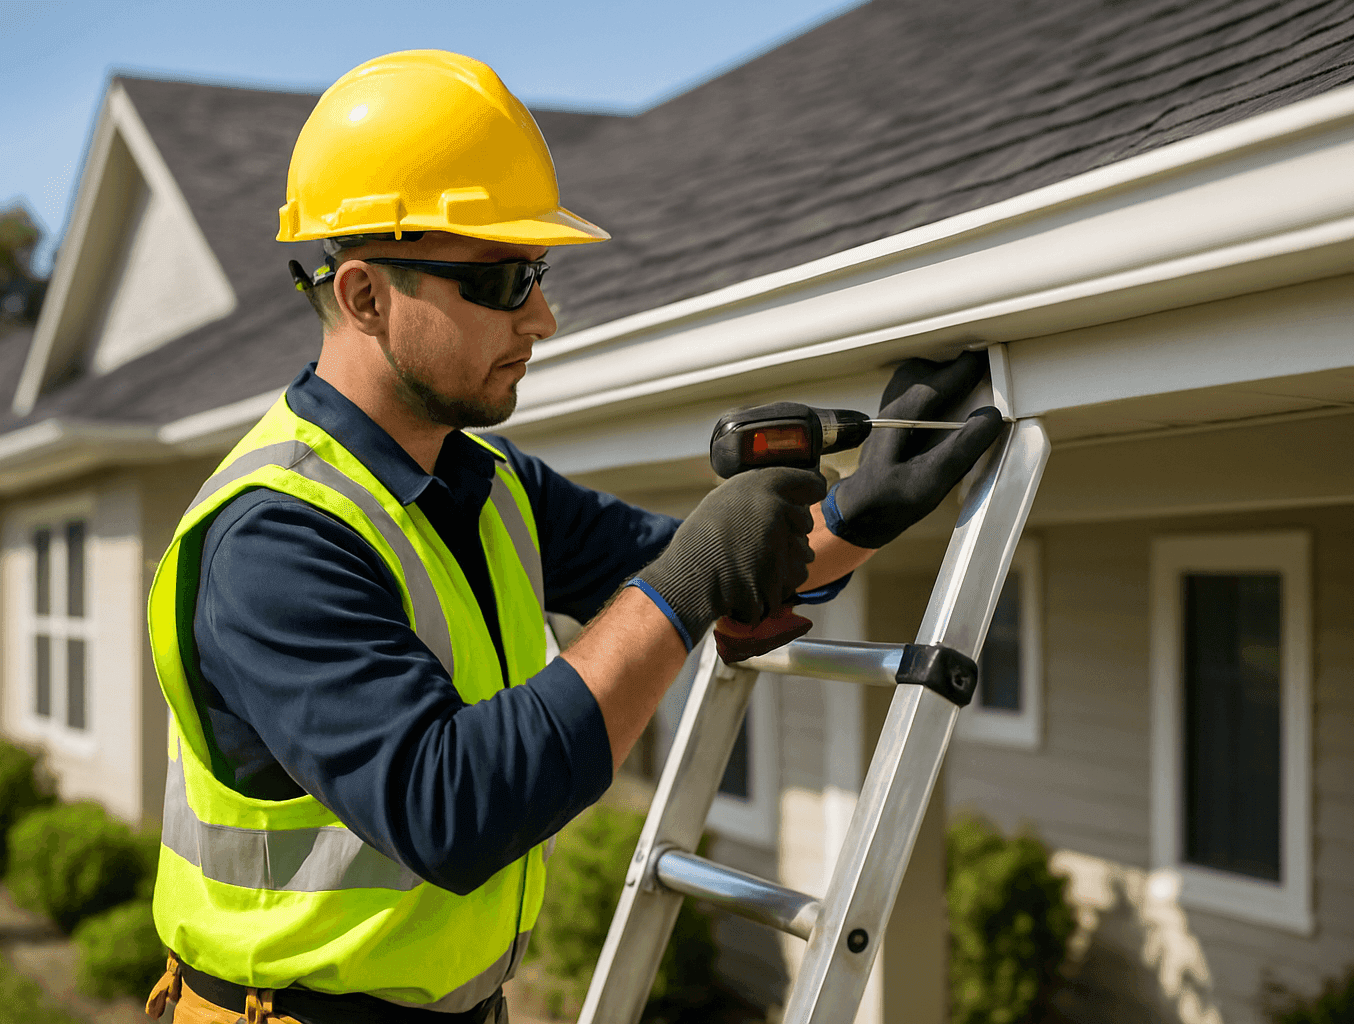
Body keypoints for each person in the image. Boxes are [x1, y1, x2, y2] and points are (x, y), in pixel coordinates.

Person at [144, 50, 1002, 1024]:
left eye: (539, 276)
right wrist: (686, 583)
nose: (543, 319)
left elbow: (702, 579)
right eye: (505, 281)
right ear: (364, 297)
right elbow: (451, 807)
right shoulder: (274, 539)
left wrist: (858, 513)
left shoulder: (488, 483)